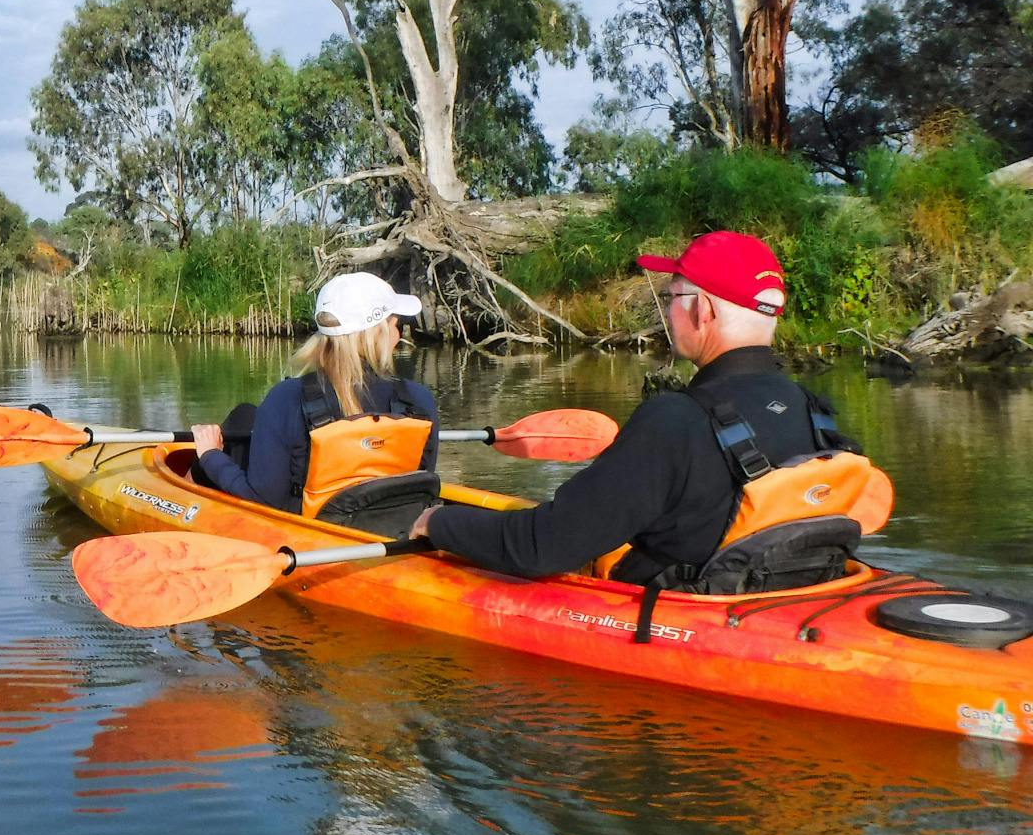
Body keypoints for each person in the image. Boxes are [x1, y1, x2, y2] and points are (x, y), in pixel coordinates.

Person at [409, 231, 859, 591]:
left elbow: (540, 548)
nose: (666, 310)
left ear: (701, 310)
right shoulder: (814, 412)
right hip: (784, 595)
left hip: (681, 620)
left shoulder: (675, 420)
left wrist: (440, 522)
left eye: (670, 297)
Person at [192, 271, 438, 515]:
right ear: (380, 332)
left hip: (313, 539)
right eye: (396, 324)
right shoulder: (419, 400)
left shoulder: (286, 399)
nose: (398, 334)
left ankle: (189, 480)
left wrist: (211, 455)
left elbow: (263, 500)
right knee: (246, 415)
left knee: (242, 418)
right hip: (393, 531)